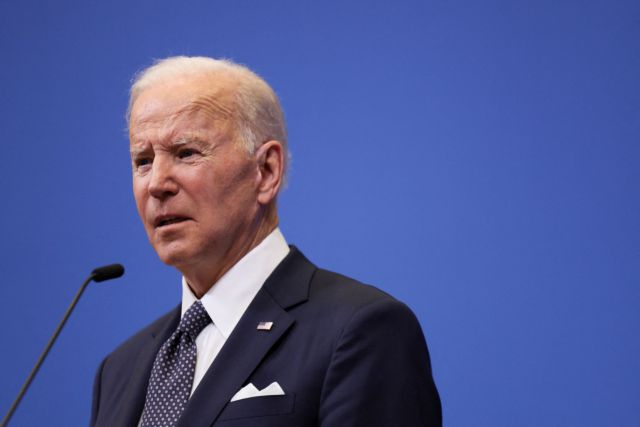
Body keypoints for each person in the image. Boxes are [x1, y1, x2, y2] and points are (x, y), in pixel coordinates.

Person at [90, 56, 441, 427]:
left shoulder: (361, 331)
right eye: (142, 160)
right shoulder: (119, 370)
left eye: (186, 153)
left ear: (266, 171)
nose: (157, 183)